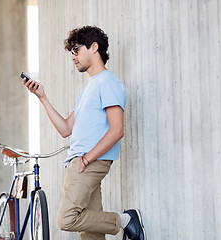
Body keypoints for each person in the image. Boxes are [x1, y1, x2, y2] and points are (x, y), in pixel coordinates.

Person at [23, 25, 146, 240]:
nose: (73, 57)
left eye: (76, 50)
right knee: (91, 235)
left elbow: (117, 130)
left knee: (67, 218)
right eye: (71, 52)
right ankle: (124, 222)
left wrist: (87, 159)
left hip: (88, 161)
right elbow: (65, 129)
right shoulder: (89, 89)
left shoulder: (108, 82)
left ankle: (126, 220)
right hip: (81, 160)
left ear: (94, 47)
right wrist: (42, 97)